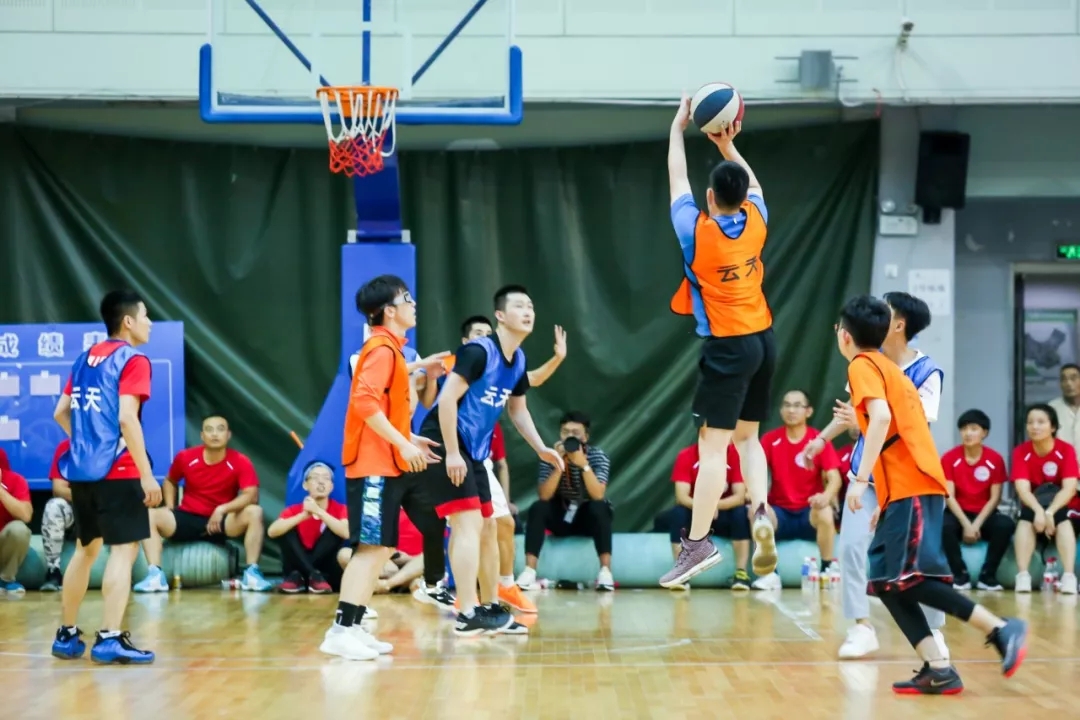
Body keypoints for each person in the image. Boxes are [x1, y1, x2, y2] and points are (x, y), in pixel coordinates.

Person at [836, 294, 1027, 695]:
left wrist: (859, 479)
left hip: (915, 486)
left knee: (911, 579)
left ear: (845, 336)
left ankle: (1000, 627)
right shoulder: (887, 368)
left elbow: (882, 420)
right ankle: (938, 667)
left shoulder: (863, 365)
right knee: (885, 581)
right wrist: (885, 500)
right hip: (902, 491)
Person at [660, 95, 777, 588]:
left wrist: (678, 128)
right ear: (743, 195)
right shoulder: (757, 219)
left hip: (728, 347)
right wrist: (728, 145)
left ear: (710, 198)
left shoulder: (695, 230)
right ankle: (762, 511)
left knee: (713, 449)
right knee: (749, 439)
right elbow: (754, 184)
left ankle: (698, 543)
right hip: (764, 339)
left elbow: (677, 177)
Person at [803, 292, 948, 660]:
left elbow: (909, 422)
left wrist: (866, 419)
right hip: (866, 475)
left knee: (923, 557)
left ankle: (934, 631)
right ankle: (861, 627)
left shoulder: (927, 372)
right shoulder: (867, 361)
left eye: (887, 308)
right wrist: (821, 439)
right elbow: (856, 413)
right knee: (851, 547)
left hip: (905, 479)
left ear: (898, 324)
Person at [413, 285, 562, 636]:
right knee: (466, 523)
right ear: (500, 315)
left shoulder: (518, 360)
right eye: (519, 306)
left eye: (531, 306)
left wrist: (541, 447)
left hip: (476, 451)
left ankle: (491, 604)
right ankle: (467, 611)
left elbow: (518, 411)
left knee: (490, 525)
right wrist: (451, 452)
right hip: (445, 441)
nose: (528, 311)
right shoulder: (478, 352)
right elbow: (446, 401)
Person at [320, 275, 441, 660]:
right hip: (373, 464)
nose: (414, 304)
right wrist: (402, 443)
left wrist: (408, 437)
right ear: (389, 310)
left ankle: (354, 626)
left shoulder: (392, 350)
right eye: (407, 298)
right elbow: (364, 404)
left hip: (388, 462)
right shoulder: (381, 349)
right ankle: (340, 631)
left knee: (382, 546)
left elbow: (386, 410)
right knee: (370, 548)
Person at [50, 290, 161, 665]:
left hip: (83, 470)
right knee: (124, 550)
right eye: (145, 316)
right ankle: (110, 637)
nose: (149, 323)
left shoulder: (84, 359)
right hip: (120, 470)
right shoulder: (133, 360)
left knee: (86, 550)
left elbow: (60, 412)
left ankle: (66, 634)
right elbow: (127, 418)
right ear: (128, 322)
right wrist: (147, 475)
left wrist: (87, 445)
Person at [269, 461, 349, 594]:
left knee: (335, 528)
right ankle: (312, 574)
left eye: (326, 478)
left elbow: (346, 533)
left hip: (327, 573)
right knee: (285, 527)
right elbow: (272, 531)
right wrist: (303, 516)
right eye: (315, 478)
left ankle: (314, 576)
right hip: (296, 574)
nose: (321, 482)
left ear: (331, 486)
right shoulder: (294, 510)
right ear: (305, 485)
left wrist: (319, 512)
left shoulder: (341, 509)